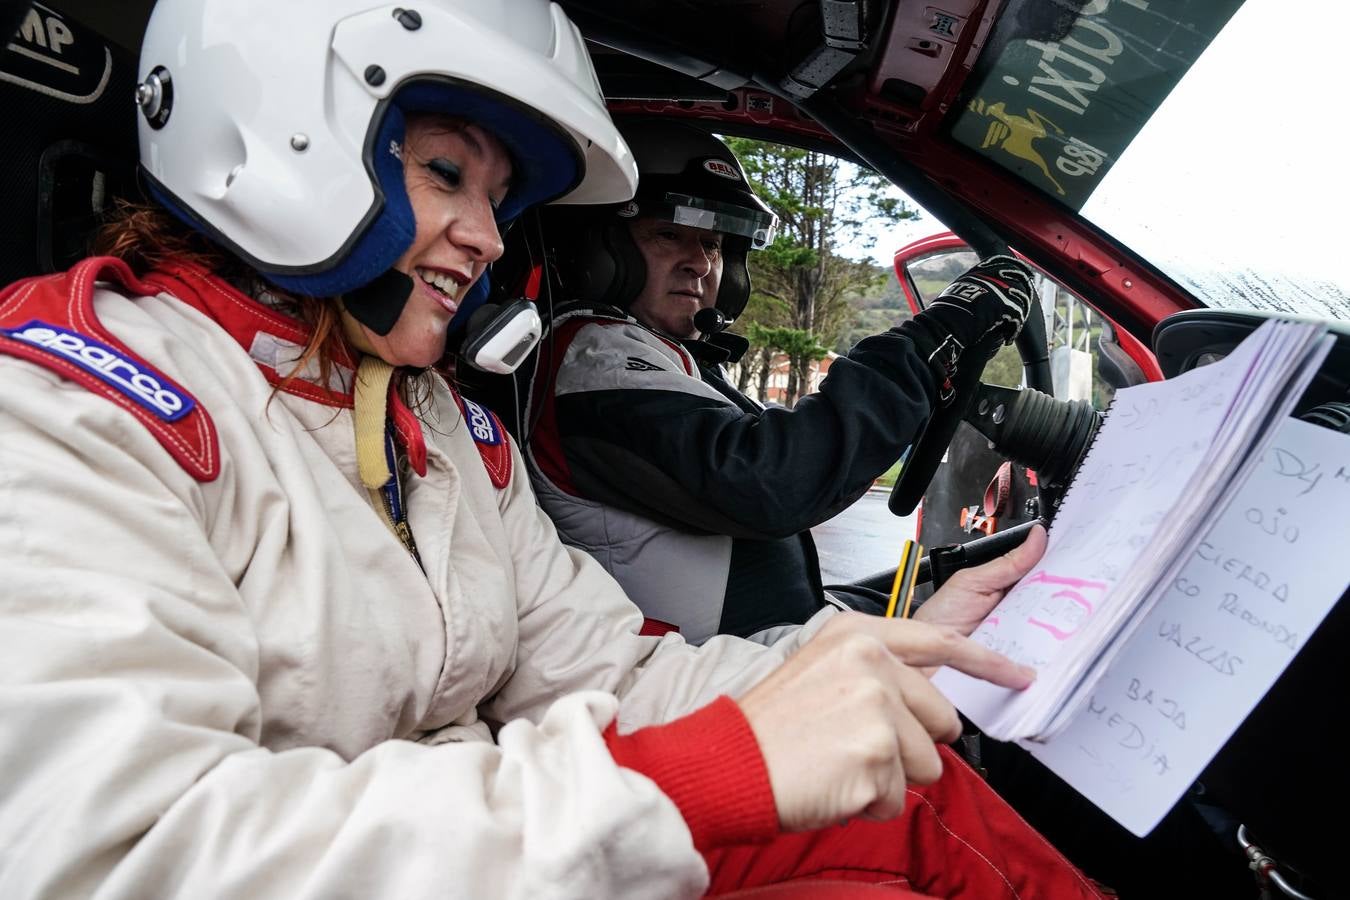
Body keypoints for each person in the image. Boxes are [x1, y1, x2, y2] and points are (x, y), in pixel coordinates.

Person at [0, 1, 1102, 897]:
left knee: (906, 802)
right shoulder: (73, 405)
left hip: (506, 852)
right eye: (444, 174)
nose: (485, 237)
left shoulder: (439, 424)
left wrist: (883, 654)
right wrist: (693, 779)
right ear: (272, 139)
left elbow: (608, 671)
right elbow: (119, 856)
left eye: (498, 197)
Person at [525, 121, 1038, 643]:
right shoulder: (593, 357)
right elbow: (768, 478)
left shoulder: (659, 355)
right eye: (669, 234)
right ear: (602, 245)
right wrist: (931, 341)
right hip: (706, 676)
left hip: (750, 648)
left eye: (715, 244)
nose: (701, 263)